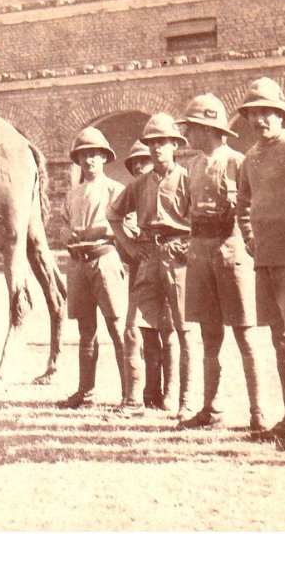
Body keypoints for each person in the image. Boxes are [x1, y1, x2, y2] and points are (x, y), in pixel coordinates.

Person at [235, 77, 285, 447]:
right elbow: (242, 204)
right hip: (265, 259)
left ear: (282, 115)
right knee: (278, 339)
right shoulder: (250, 157)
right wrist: (250, 239)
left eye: (268, 113)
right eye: (254, 114)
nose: (261, 120)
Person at [178, 94, 266, 432]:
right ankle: (211, 409)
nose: (189, 134)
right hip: (201, 251)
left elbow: (250, 206)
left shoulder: (237, 162)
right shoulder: (194, 165)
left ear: (209, 129)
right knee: (209, 334)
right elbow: (189, 210)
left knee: (245, 335)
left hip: (232, 250)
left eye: (194, 128)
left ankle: (257, 415)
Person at [108, 113, 197, 420]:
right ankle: (133, 402)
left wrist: (191, 245)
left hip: (179, 256)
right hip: (147, 256)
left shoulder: (188, 178)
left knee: (180, 329)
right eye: (152, 143)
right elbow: (114, 215)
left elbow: (203, 218)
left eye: (163, 143)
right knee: (132, 329)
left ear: (175, 145)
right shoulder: (140, 184)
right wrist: (129, 246)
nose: (157, 149)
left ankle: (183, 401)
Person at [59, 126, 129, 410]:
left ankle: (130, 394)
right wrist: (68, 235)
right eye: (84, 155)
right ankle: (85, 392)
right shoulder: (72, 194)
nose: (89, 160)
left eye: (95, 155)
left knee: (117, 325)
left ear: (104, 158)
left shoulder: (115, 190)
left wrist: (99, 229)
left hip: (104, 259)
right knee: (86, 329)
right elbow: (64, 225)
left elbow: (129, 225)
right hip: (78, 263)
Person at [120, 140, 171, 411]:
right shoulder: (135, 192)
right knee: (144, 331)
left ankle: (170, 393)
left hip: (171, 260)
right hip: (142, 266)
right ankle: (149, 392)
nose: (139, 166)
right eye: (134, 164)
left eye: (144, 160)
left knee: (170, 329)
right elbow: (116, 218)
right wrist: (130, 244)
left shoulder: (174, 181)